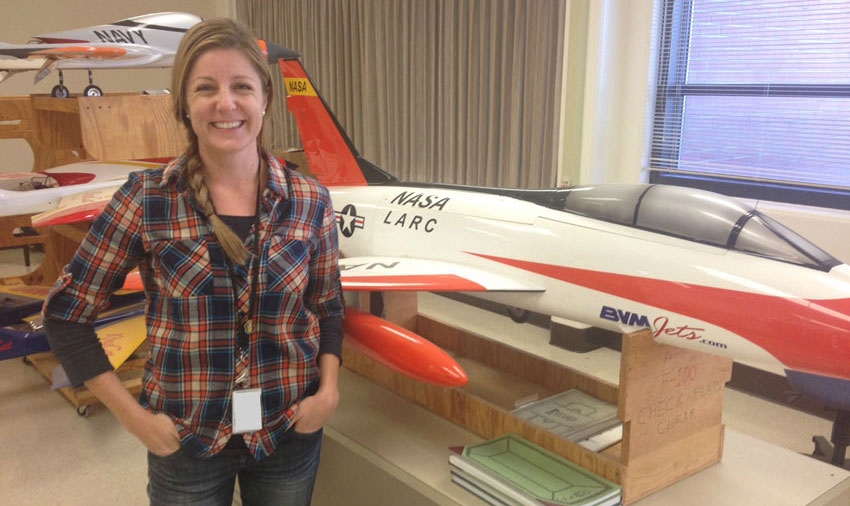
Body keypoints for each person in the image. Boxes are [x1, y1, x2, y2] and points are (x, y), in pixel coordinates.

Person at [43, 17, 344, 506]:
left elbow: (328, 305)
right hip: (186, 440)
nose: (225, 103)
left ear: (265, 99)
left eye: (241, 87)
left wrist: (328, 391)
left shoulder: (310, 200)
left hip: (289, 431)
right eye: (206, 88)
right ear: (184, 104)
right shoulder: (147, 199)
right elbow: (66, 315)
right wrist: (134, 418)